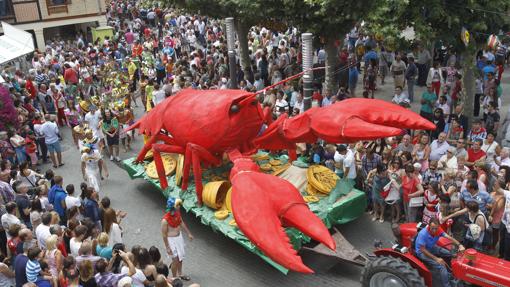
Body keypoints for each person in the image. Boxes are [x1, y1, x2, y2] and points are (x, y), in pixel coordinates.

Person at [415, 218, 464, 287]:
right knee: (441, 266)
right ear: (429, 226)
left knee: (449, 253)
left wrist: (459, 245)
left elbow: (449, 237)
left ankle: (456, 267)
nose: (434, 231)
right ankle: (447, 285)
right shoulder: (423, 234)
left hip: (431, 247)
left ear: (438, 227)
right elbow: (423, 249)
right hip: (422, 252)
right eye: (432, 228)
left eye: (436, 228)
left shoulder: (438, 230)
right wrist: (436, 259)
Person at [161, 197, 193, 281]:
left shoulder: (177, 213)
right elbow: (164, 235)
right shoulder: (165, 220)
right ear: (173, 206)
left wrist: (188, 233)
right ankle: (175, 278)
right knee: (175, 260)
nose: (179, 206)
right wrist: (167, 247)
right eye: (178, 205)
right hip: (171, 241)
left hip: (179, 238)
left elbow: (181, 222)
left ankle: (180, 274)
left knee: (180, 258)